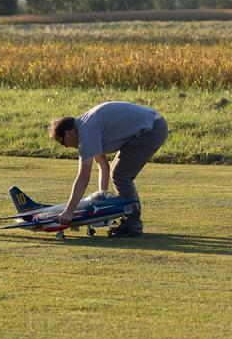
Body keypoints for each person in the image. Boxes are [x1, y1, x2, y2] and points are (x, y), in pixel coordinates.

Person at [49, 101, 168, 237]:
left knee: (120, 174)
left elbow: (83, 179)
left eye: (62, 142)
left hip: (152, 129)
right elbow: (102, 166)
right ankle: (131, 222)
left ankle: (132, 225)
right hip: (154, 124)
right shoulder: (86, 126)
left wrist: (69, 212)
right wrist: (102, 199)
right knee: (117, 172)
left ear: (68, 133)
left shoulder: (86, 134)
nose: (66, 147)